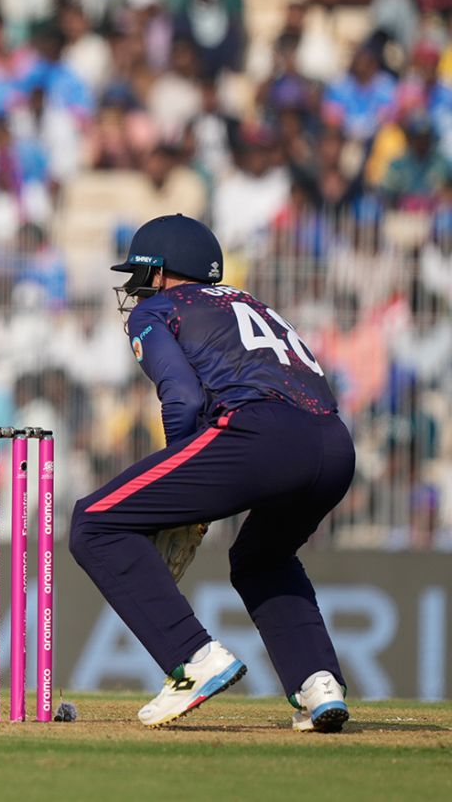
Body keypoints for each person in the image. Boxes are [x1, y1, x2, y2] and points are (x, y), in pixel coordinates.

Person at [68, 215, 354, 732]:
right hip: (334, 443)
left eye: (141, 274)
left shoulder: (157, 309)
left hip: (264, 435)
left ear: (163, 272)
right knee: (260, 558)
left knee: (93, 522)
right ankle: (319, 682)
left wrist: (187, 497)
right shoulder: (249, 302)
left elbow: (182, 395)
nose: (134, 288)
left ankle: (193, 659)